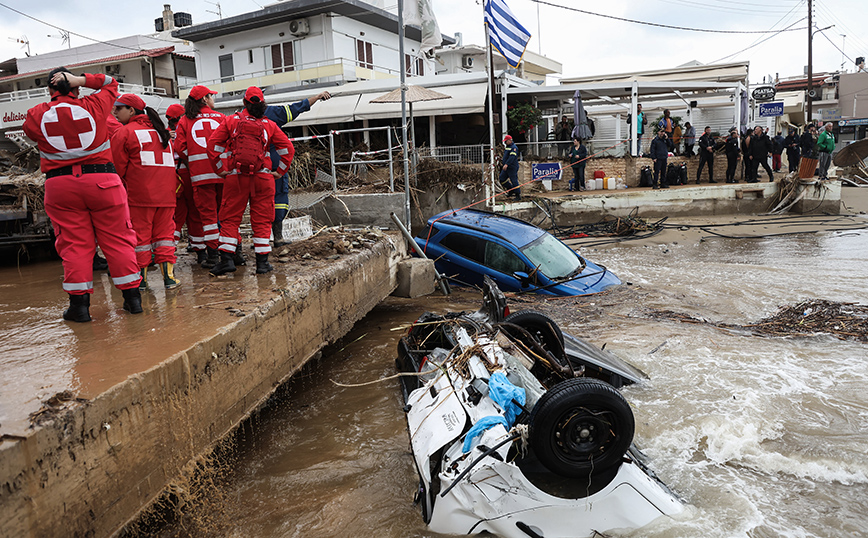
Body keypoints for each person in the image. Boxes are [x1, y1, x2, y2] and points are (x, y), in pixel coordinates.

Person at [22, 68, 142, 321]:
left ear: (49, 90)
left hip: (61, 185)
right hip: (103, 182)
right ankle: (133, 301)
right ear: (76, 87)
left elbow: (31, 133)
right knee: (118, 240)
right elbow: (111, 83)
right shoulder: (95, 104)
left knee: (74, 245)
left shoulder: (37, 114)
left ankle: (79, 308)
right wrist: (82, 80)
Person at [207, 87, 295, 276]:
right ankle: (262, 264)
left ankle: (227, 260)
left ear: (245, 103)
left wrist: (220, 170)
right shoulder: (269, 124)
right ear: (262, 104)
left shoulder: (230, 121)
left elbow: (212, 146)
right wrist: (279, 172)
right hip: (263, 177)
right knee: (262, 220)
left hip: (236, 176)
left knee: (230, 219)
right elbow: (288, 149)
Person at [111, 93, 180, 291]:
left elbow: (117, 168)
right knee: (165, 236)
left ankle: (141, 281)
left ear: (131, 110)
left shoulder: (124, 133)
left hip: (139, 196)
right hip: (167, 195)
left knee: (140, 239)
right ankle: (169, 278)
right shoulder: (162, 132)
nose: (115, 112)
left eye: (118, 108)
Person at [263, 91, 331, 247]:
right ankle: (278, 237)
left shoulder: (237, 118)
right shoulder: (272, 113)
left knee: (258, 201)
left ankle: (262, 239)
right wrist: (318, 96)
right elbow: (298, 107)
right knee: (279, 198)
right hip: (274, 166)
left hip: (254, 168)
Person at [174, 85, 225, 269]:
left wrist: (194, 162)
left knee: (208, 217)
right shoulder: (221, 118)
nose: (213, 99)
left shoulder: (185, 121)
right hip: (222, 174)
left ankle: (212, 256)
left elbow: (180, 148)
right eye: (211, 96)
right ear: (205, 99)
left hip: (200, 176)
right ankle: (232, 252)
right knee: (225, 214)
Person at [166, 103, 205, 262]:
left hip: (172, 179)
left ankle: (167, 253)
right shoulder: (187, 130)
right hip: (188, 175)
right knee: (195, 215)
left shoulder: (163, 134)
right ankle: (201, 253)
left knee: (174, 218)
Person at [500, 134, 521, 200]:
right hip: (506, 167)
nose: (505, 142)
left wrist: (507, 164)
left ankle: (518, 195)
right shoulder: (508, 147)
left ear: (509, 140)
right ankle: (510, 189)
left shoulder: (514, 148)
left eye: (506, 141)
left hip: (512, 167)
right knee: (502, 178)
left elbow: (512, 157)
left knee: (514, 181)